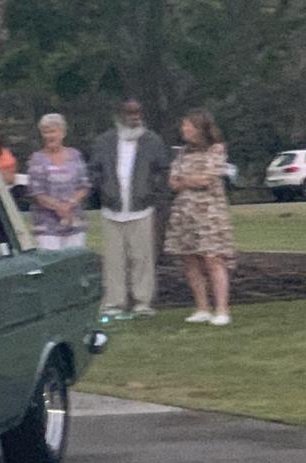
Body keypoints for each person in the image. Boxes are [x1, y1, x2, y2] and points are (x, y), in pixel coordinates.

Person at [89, 98, 170, 318]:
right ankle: (114, 303)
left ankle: (142, 302)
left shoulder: (153, 141)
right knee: (114, 260)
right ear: (120, 115)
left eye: (137, 113)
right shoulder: (104, 141)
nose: (134, 117)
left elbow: (163, 172)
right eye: (129, 113)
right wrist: (104, 191)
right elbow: (94, 171)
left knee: (142, 258)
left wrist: (152, 194)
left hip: (142, 208)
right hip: (112, 209)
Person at [164, 109, 235, 326]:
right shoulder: (182, 153)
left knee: (213, 259)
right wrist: (187, 180)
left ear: (199, 128)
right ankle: (202, 307)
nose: (184, 129)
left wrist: (185, 180)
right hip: (185, 214)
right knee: (189, 259)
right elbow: (172, 182)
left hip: (210, 215)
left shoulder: (216, 150)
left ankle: (222, 309)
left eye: (188, 126)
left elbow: (206, 179)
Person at [26, 113, 90, 250]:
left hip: (75, 223)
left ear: (62, 133)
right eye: (45, 132)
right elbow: (36, 193)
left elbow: (84, 185)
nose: (49, 136)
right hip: (47, 228)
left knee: (74, 265)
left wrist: (70, 204)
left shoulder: (75, 155)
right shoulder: (36, 159)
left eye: (53, 131)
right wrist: (59, 208)